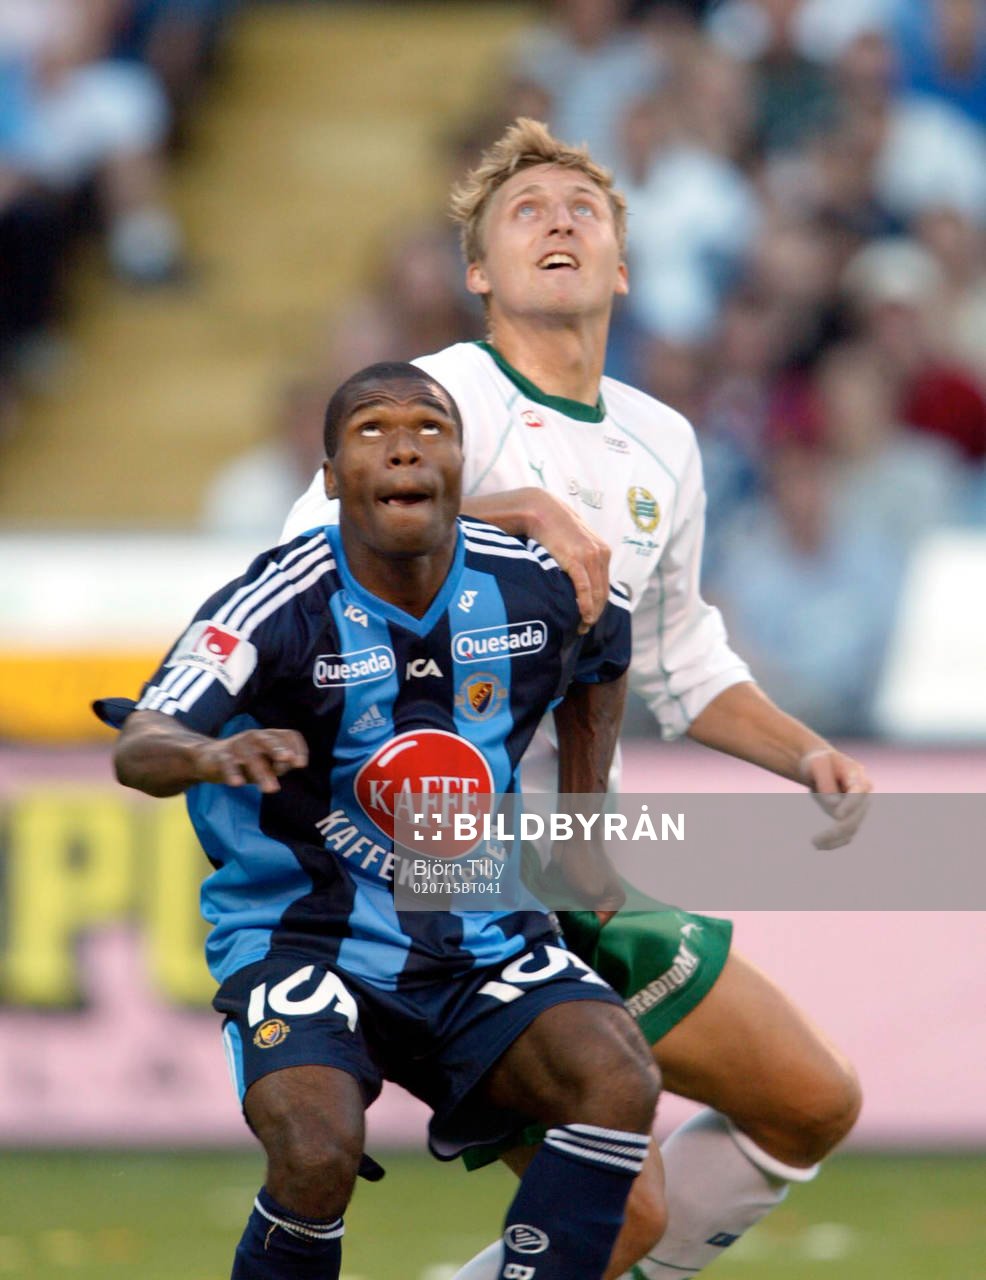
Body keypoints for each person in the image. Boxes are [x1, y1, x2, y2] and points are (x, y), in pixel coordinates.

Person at [281, 120, 871, 1280]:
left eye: (583, 210)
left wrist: (803, 751)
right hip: (432, 870)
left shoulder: (661, 442)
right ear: (479, 275)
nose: (559, 220)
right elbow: (309, 556)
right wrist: (513, 507)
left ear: (622, 268)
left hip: (561, 853)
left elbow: (678, 656)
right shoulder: (438, 393)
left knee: (808, 1098)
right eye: (526, 211)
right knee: (622, 1212)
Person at [96, 361, 660, 1280]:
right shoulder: (276, 601)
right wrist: (205, 754)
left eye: (428, 428)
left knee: (618, 1080)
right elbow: (141, 743)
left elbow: (602, 652)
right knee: (317, 1154)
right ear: (328, 479)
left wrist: (583, 832)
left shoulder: (534, 587)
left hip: (478, 929)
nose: (403, 445)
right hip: (302, 937)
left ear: (460, 463)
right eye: (371, 430)